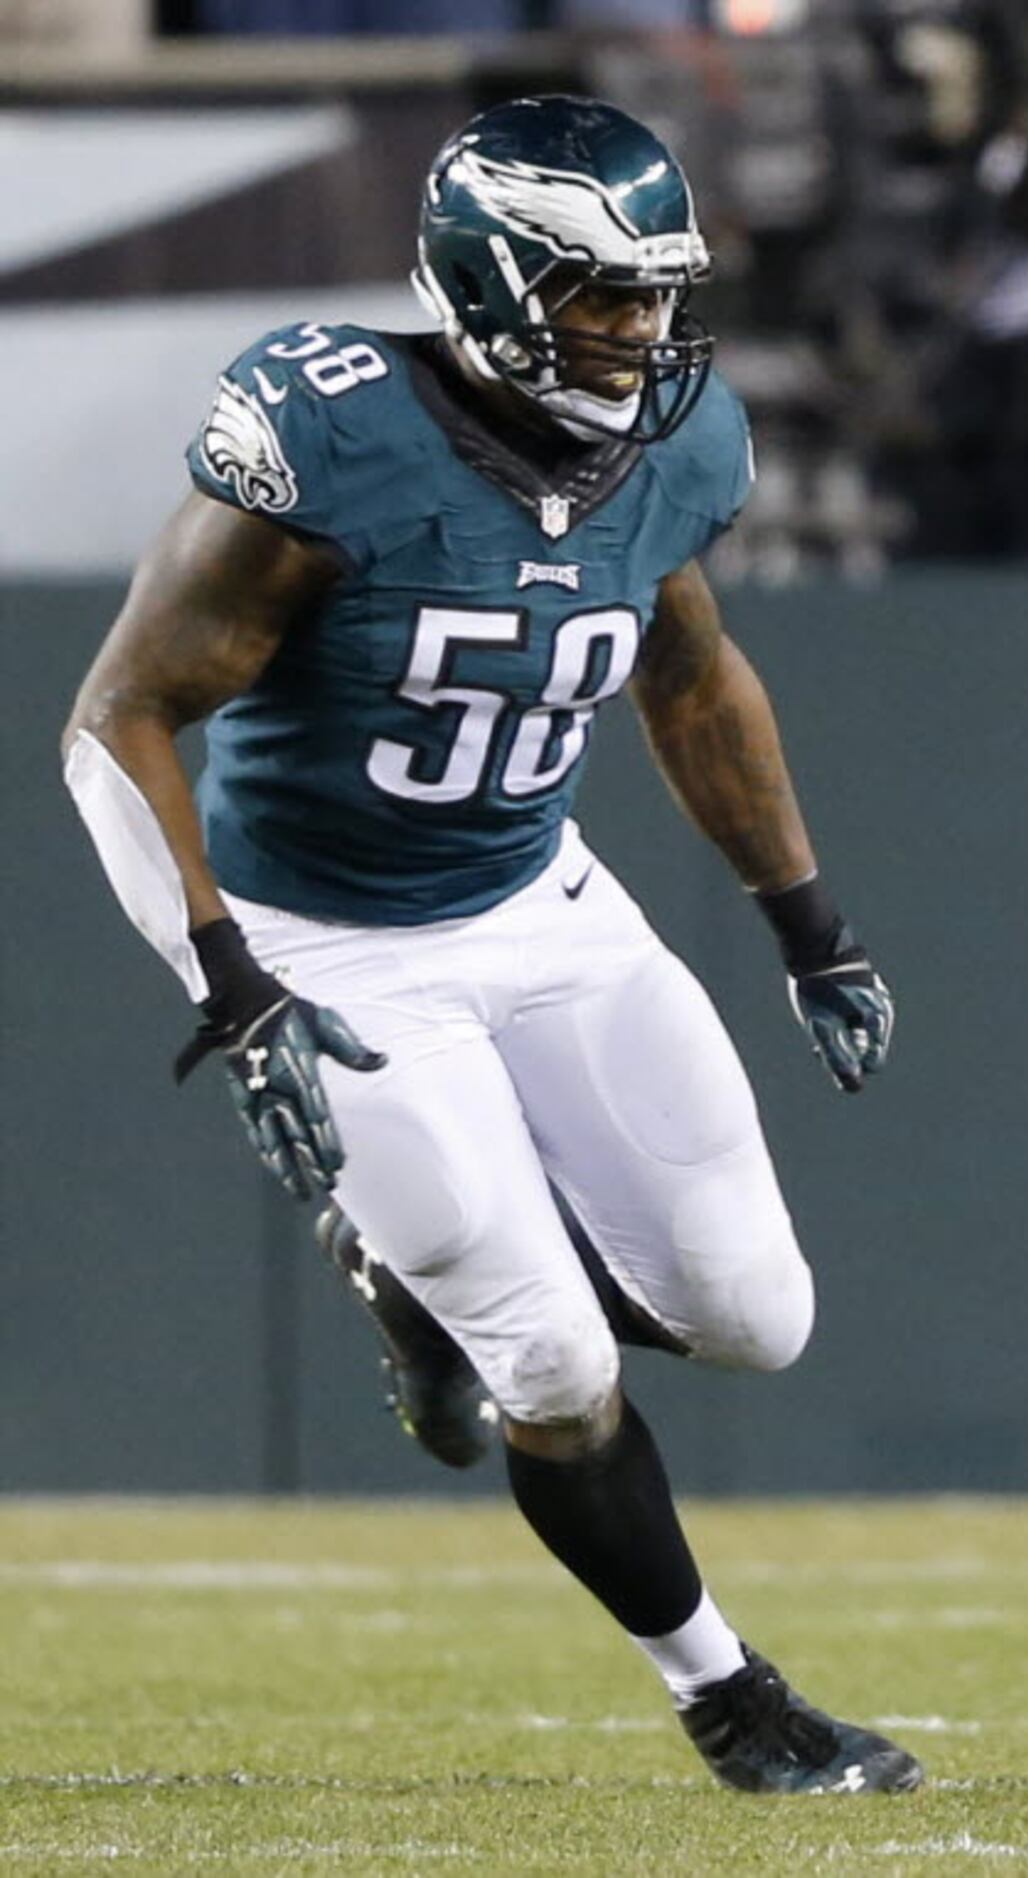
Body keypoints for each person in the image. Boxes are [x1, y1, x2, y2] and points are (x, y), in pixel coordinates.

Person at [62, 95, 920, 1798]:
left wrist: (808, 924)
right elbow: (119, 718)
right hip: (335, 943)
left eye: (657, 291)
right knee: (556, 1358)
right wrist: (236, 990)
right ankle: (729, 1695)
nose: (640, 332)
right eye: (599, 294)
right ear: (485, 279)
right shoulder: (336, 436)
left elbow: (690, 674)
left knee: (759, 1313)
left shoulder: (675, 445)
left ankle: (422, 1280)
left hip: (540, 905)